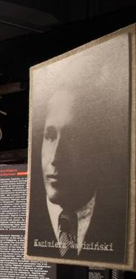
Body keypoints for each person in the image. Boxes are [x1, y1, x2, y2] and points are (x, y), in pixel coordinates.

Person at [32, 88, 125, 258]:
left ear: (98, 147)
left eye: (72, 138)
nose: (55, 158)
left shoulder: (120, 219)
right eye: (50, 136)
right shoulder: (28, 218)